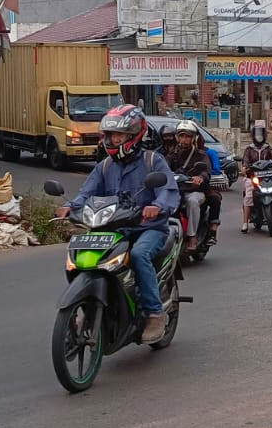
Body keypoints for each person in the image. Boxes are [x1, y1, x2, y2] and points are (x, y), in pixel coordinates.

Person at [58, 104, 179, 342]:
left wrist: (157, 207)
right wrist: (71, 206)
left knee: (139, 255)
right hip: (113, 228)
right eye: (111, 135)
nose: (113, 140)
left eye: (119, 135)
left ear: (134, 135)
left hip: (148, 229)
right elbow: (87, 192)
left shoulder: (152, 161)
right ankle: (85, 305)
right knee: (81, 256)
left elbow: (168, 190)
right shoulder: (105, 167)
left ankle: (155, 314)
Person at [166, 119, 212, 250]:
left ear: (194, 138)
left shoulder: (200, 155)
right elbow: (163, 168)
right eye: (181, 136)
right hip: (175, 191)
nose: (184, 139)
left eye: (188, 136)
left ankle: (192, 236)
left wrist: (200, 177)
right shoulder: (172, 155)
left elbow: (206, 170)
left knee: (192, 201)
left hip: (193, 190)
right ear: (177, 137)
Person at [240, 120, 272, 233]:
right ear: (253, 135)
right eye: (257, 134)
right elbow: (245, 162)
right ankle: (245, 222)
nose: (259, 136)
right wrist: (245, 167)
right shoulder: (249, 149)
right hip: (252, 177)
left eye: (261, 134)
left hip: (267, 176)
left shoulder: (268, 148)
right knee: (249, 197)